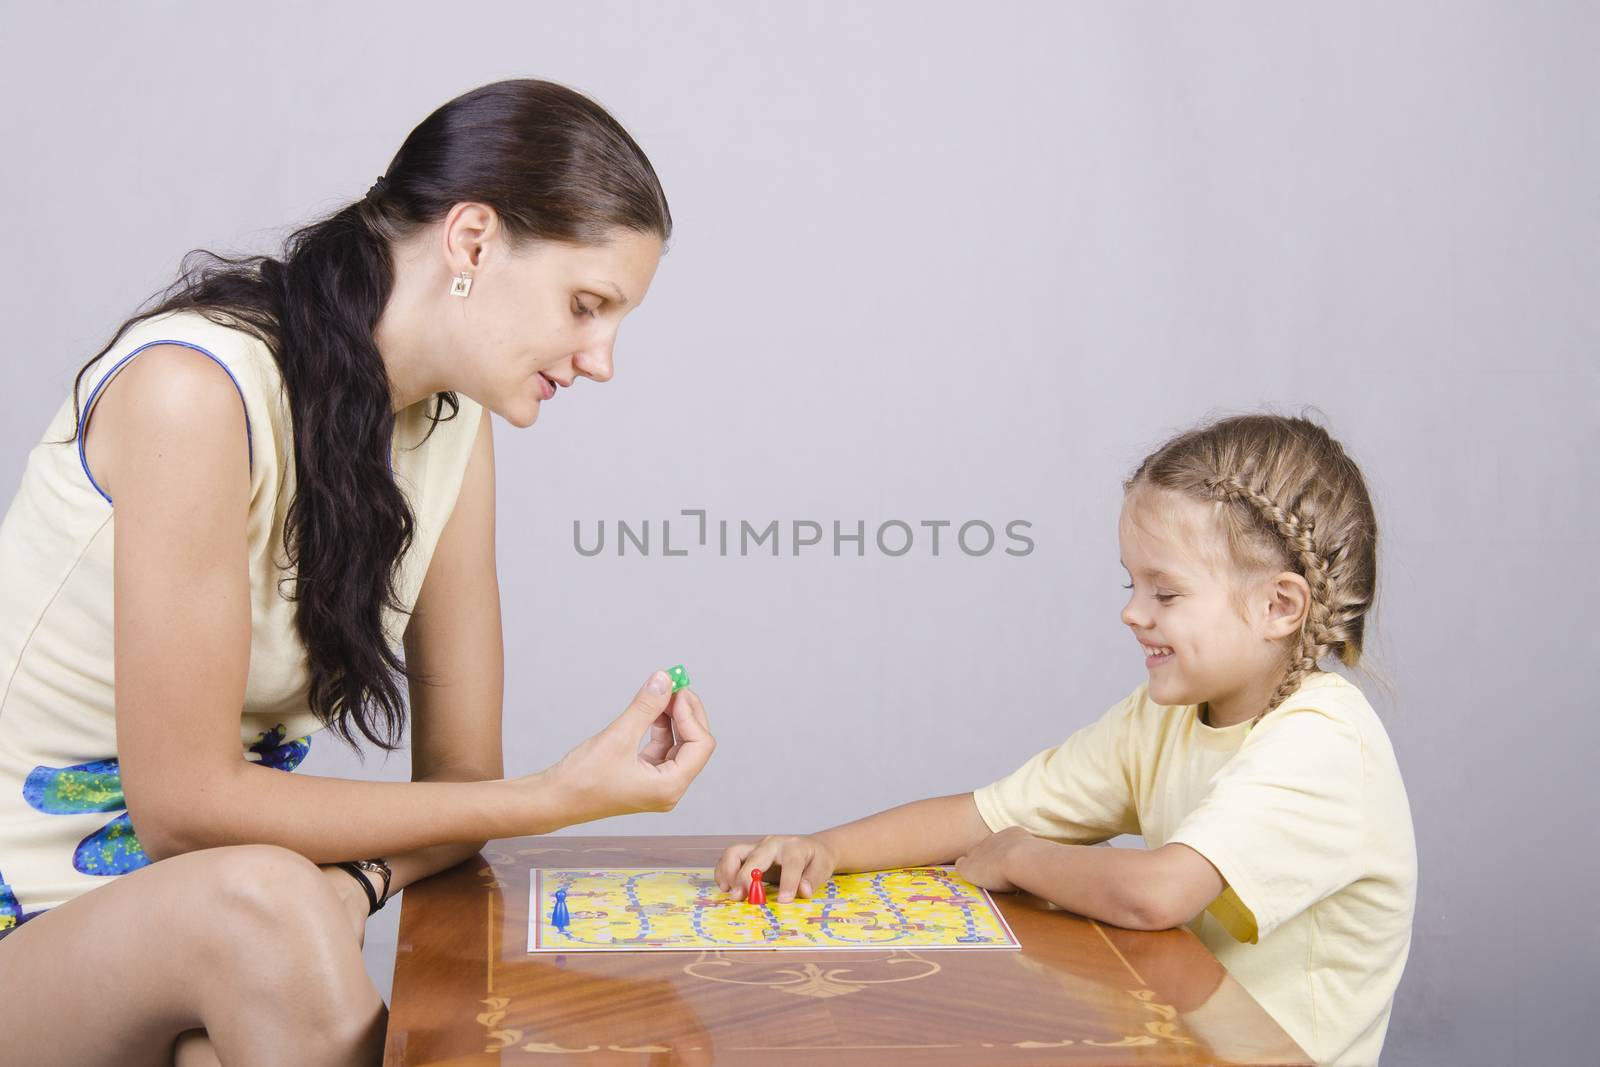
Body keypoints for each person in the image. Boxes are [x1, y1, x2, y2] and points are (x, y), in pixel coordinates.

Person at [0, 78, 715, 1066]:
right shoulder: (192, 393)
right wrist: (556, 794)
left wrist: (362, 882)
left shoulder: (450, 432)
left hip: (204, 938)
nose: (601, 359)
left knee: (254, 978)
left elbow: (460, 782)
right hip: (32, 932)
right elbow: (186, 806)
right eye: (586, 305)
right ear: (470, 240)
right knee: (268, 901)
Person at [717, 413, 1416, 1067]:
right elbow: (979, 816)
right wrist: (828, 849)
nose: (1131, 611)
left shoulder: (1325, 740)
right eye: (1131, 583)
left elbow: (1157, 893)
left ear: (1278, 606)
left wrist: (1024, 856)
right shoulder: (1163, 718)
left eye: (1165, 593)